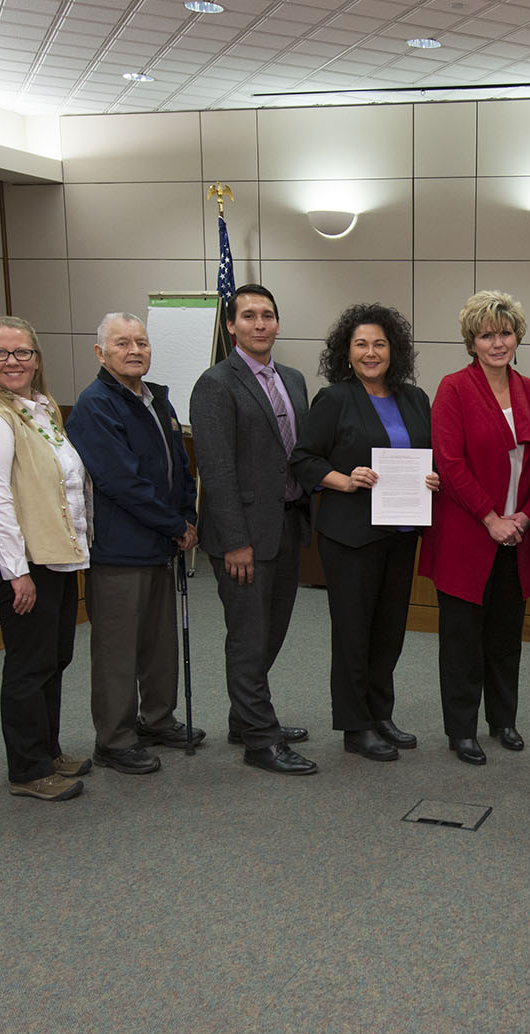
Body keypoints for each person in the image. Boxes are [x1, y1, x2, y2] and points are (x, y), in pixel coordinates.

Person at [289, 303, 440, 761]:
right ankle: (355, 727)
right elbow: (303, 458)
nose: (371, 352)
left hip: (401, 532)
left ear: (393, 350)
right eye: (361, 345)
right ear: (346, 352)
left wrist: (432, 478)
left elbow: (427, 455)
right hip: (351, 535)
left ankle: (380, 713)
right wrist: (344, 479)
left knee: (390, 629)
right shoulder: (335, 399)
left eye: (379, 343)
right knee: (354, 631)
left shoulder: (414, 398)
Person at [0, 314, 93, 802]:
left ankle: (48, 749)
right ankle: (27, 769)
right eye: (0, 353)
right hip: (20, 564)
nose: (12, 361)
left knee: (55, 657)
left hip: (53, 556)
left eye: (22, 352)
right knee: (28, 665)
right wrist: (16, 573)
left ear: (36, 359)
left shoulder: (40, 410)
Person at [68, 311, 203, 776]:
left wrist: (187, 516)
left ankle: (157, 720)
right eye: (122, 343)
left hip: (160, 544)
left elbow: (181, 469)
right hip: (119, 549)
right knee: (118, 650)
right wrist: (173, 524)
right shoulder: (96, 405)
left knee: (158, 643)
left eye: (141, 342)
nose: (134, 350)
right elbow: (120, 482)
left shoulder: (157, 400)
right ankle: (115, 739)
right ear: (100, 352)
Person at [191, 283, 317, 776]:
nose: (259, 324)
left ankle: (246, 718)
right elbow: (217, 470)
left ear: (278, 323)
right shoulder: (215, 383)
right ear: (231, 326)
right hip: (242, 536)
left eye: (267, 315)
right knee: (248, 635)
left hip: (287, 523)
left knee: (273, 630)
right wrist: (236, 543)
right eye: (248, 316)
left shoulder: (294, 378)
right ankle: (260, 742)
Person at [420, 289, 530, 766]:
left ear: (517, 336)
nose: (498, 343)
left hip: (518, 533)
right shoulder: (453, 388)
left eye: (505, 333)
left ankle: (503, 720)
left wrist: (523, 518)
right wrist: (492, 519)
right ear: (471, 341)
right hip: (468, 533)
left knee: (506, 634)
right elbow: (449, 464)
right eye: (487, 335)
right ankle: (461, 729)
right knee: (462, 639)